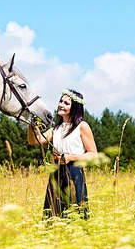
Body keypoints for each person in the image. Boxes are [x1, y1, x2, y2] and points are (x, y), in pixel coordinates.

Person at [28, 88, 98, 219]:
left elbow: (94, 155)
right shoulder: (56, 129)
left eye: (66, 103)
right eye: (61, 101)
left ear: (75, 107)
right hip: (56, 173)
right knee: (52, 214)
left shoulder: (82, 126)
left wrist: (71, 157)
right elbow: (34, 141)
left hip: (75, 173)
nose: (61, 105)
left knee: (76, 215)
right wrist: (30, 125)